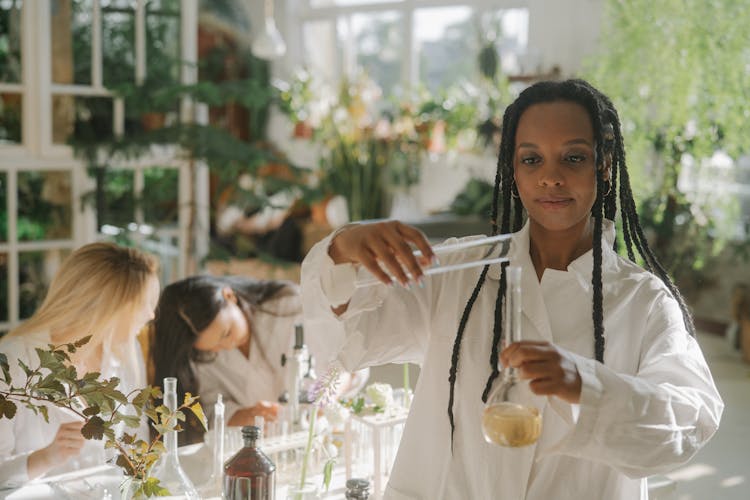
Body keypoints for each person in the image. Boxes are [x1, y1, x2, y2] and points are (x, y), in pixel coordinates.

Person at [300, 79, 724, 499]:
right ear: (513, 169)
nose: (551, 178)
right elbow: (349, 338)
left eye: (573, 158)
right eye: (532, 160)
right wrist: (343, 249)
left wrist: (586, 384)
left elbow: (690, 419)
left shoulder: (642, 301)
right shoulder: (461, 271)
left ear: (605, 165)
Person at [0, 243, 160, 489]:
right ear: (109, 306)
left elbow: (138, 445)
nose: (151, 315)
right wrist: (45, 458)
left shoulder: (125, 352)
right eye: (144, 304)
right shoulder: (11, 362)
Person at [149, 275, 357, 444]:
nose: (227, 346)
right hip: (263, 443)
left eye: (226, 333)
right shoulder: (200, 357)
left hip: (324, 431)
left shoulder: (289, 307)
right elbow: (212, 410)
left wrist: (324, 399)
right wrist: (245, 415)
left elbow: (346, 362)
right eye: (214, 347)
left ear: (229, 296)